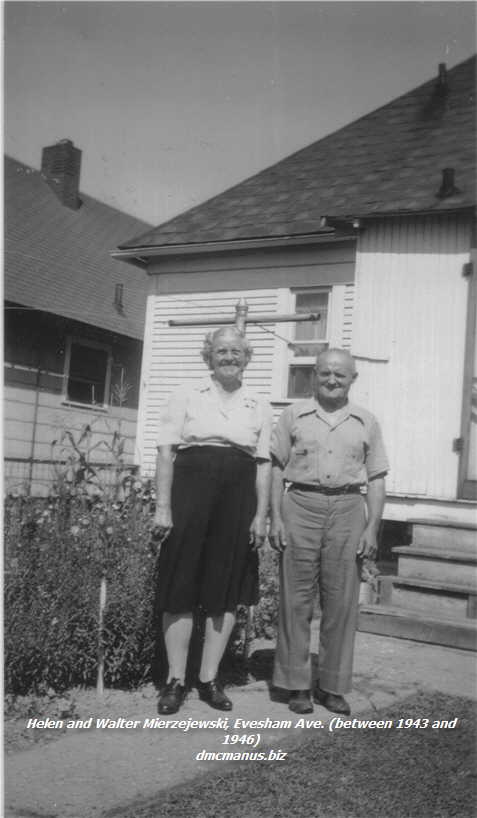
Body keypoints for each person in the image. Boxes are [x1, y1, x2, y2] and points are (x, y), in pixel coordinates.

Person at [152, 326, 272, 715]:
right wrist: (163, 507)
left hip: (237, 496)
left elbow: (264, 463)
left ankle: (208, 679)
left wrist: (260, 515)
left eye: (236, 351)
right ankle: (175, 679)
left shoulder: (259, 403)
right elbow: (166, 452)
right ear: (209, 356)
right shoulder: (186, 395)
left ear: (247, 357)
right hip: (191, 489)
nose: (229, 357)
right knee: (181, 581)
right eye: (221, 350)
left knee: (225, 586)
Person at [269, 348, 388, 716]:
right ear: (314, 376)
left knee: (341, 602)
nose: (332, 380)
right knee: (296, 600)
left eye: (340, 375)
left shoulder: (366, 421)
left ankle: (333, 685)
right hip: (301, 505)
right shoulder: (293, 415)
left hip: (349, 508)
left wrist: (372, 527)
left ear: (353, 378)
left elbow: (377, 477)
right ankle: (296, 684)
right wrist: (276, 517)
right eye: (325, 374)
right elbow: (275, 468)